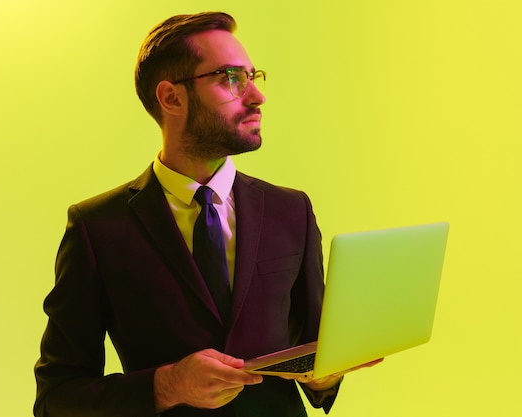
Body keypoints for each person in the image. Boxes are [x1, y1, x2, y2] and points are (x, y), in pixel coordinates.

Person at [34, 12, 381, 417]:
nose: (256, 96)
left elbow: (313, 350)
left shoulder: (293, 211)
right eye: (230, 78)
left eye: (254, 76)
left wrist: (326, 374)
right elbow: (56, 398)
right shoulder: (97, 228)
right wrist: (165, 386)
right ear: (171, 98)